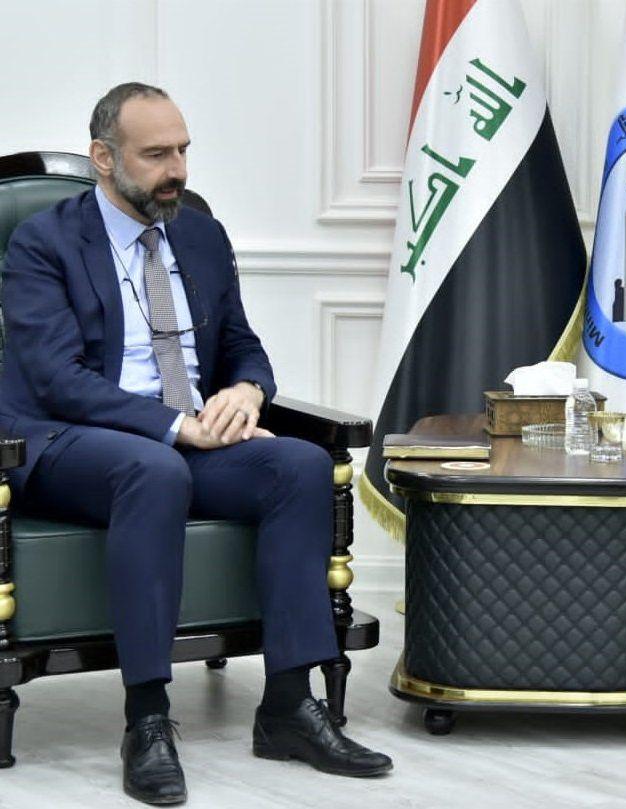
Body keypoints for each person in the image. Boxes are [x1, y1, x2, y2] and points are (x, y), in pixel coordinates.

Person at [0, 82, 392, 805]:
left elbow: (242, 343)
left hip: (180, 444)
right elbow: (57, 379)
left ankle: (288, 706)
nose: (176, 169)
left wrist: (246, 392)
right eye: (156, 155)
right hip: (67, 442)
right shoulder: (43, 242)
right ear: (103, 158)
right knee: (155, 470)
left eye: (182, 150)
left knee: (299, 465)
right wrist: (178, 426)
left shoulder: (201, 235)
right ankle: (147, 719)